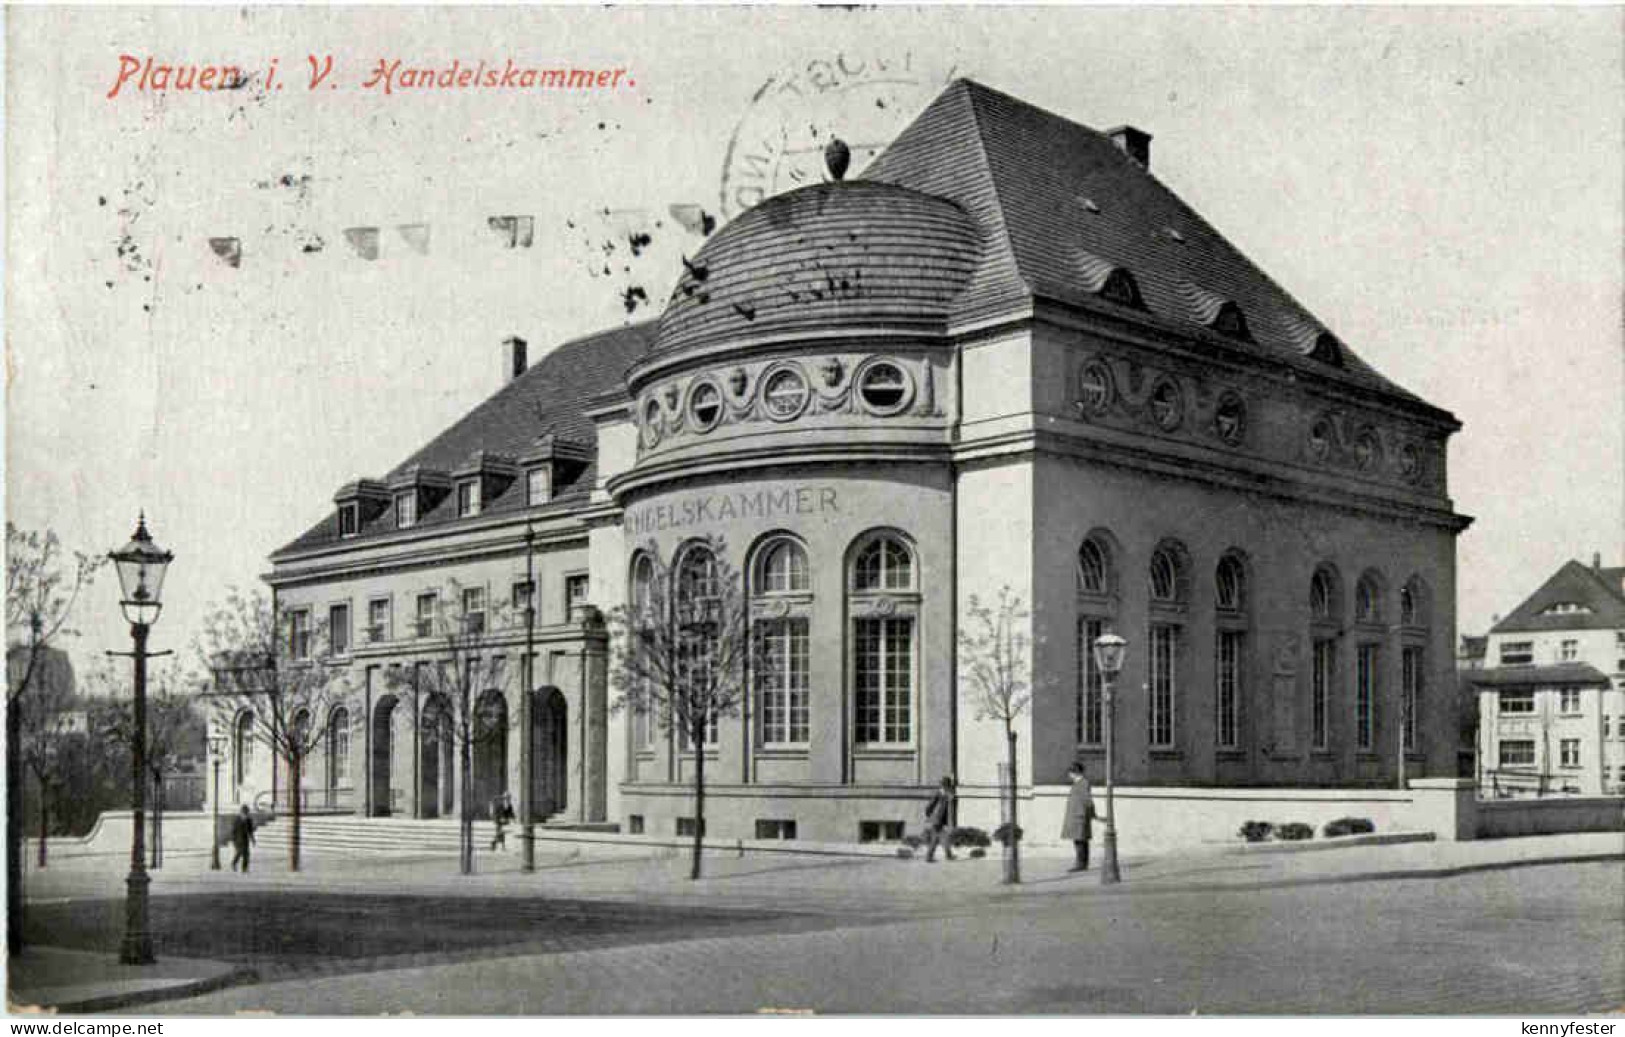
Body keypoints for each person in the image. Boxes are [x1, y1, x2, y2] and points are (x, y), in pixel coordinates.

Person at [1061, 762, 1101, 872]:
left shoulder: (1083, 783)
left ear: (1075, 772)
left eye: (1071, 772)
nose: (1069, 775)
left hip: (1080, 817)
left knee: (1080, 841)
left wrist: (1092, 814)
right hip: (1078, 816)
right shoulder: (1078, 783)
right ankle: (1082, 864)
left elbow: (1088, 801)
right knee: (1080, 840)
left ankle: (1081, 864)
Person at [922, 775, 956, 863]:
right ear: (946, 784)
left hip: (940, 819)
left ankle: (932, 856)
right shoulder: (941, 793)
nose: (948, 786)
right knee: (941, 837)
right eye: (948, 784)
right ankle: (947, 855)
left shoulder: (947, 793)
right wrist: (928, 814)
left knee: (938, 837)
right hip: (938, 818)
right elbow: (931, 804)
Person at [230, 804, 256, 873]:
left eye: (247, 812)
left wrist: (253, 839)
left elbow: (250, 831)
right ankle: (234, 863)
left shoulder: (249, 820)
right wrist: (233, 840)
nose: (246, 814)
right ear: (241, 812)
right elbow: (233, 831)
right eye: (245, 812)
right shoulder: (237, 820)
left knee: (246, 854)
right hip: (238, 840)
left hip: (245, 839)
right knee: (239, 852)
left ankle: (244, 868)